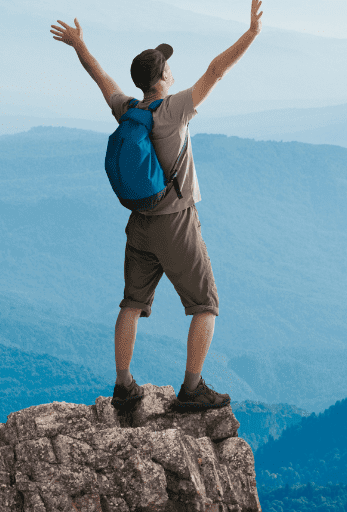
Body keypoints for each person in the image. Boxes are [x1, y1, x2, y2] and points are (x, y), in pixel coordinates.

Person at [50, 0, 263, 412]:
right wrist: (251, 34)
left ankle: (124, 385)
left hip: (139, 223)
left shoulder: (129, 111)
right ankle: (191, 388)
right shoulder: (173, 111)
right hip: (176, 222)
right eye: (167, 67)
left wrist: (79, 45)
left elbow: (102, 79)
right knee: (205, 305)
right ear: (163, 78)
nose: (172, 71)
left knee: (132, 303)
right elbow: (216, 71)